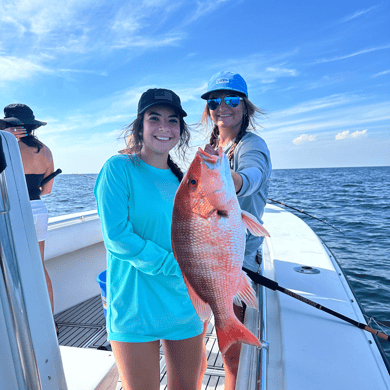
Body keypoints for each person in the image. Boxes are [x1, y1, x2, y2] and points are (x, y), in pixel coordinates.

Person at [94, 89, 206, 390]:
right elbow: (117, 237)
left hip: (185, 305)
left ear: (180, 131)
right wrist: (176, 266)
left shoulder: (183, 181)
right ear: (140, 126)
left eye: (172, 121)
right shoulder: (118, 169)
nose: (163, 127)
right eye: (153, 118)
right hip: (134, 307)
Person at [199, 71, 272, 389]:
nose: (222, 107)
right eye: (214, 101)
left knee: (230, 351)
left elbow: (253, 174)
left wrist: (229, 181)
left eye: (231, 99)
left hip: (236, 257)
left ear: (245, 107)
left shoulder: (252, 145)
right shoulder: (213, 144)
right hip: (207, 251)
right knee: (195, 334)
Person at [0, 103, 57, 331]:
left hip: (13, 211)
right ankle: (49, 323)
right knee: (38, 266)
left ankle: (14, 327)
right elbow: (48, 190)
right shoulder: (45, 150)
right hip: (37, 210)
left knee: (8, 268)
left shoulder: (4, 148)